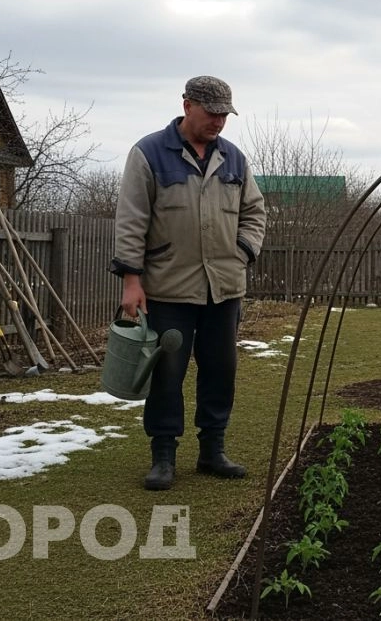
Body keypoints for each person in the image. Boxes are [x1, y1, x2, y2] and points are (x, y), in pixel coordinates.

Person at [111, 76, 266, 491]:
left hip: (223, 289)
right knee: (167, 374)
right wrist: (131, 281)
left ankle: (212, 451)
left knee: (220, 370)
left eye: (224, 115)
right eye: (212, 113)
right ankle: (163, 455)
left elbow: (255, 212)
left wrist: (242, 252)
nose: (219, 122)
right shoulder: (148, 154)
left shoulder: (234, 159)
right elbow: (131, 221)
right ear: (187, 106)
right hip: (168, 290)